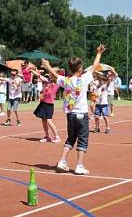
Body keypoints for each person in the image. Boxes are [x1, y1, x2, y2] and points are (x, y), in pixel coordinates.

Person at [41, 44, 106, 175]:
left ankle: (62, 161)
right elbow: (94, 66)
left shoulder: (66, 80)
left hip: (70, 115)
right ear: (81, 68)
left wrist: (47, 65)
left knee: (71, 138)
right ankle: (79, 165)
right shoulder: (85, 78)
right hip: (82, 114)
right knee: (82, 139)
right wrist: (99, 53)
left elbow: (54, 74)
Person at [30, 65, 60, 143]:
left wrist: (48, 67)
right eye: (49, 73)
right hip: (43, 103)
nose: (49, 74)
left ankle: (57, 136)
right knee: (43, 120)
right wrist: (32, 71)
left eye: (51, 73)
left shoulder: (57, 82)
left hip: (49, 104)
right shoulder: (47, 81)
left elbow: (57, 77)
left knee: (49, 121)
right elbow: (39, 76)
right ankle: (47, 136)